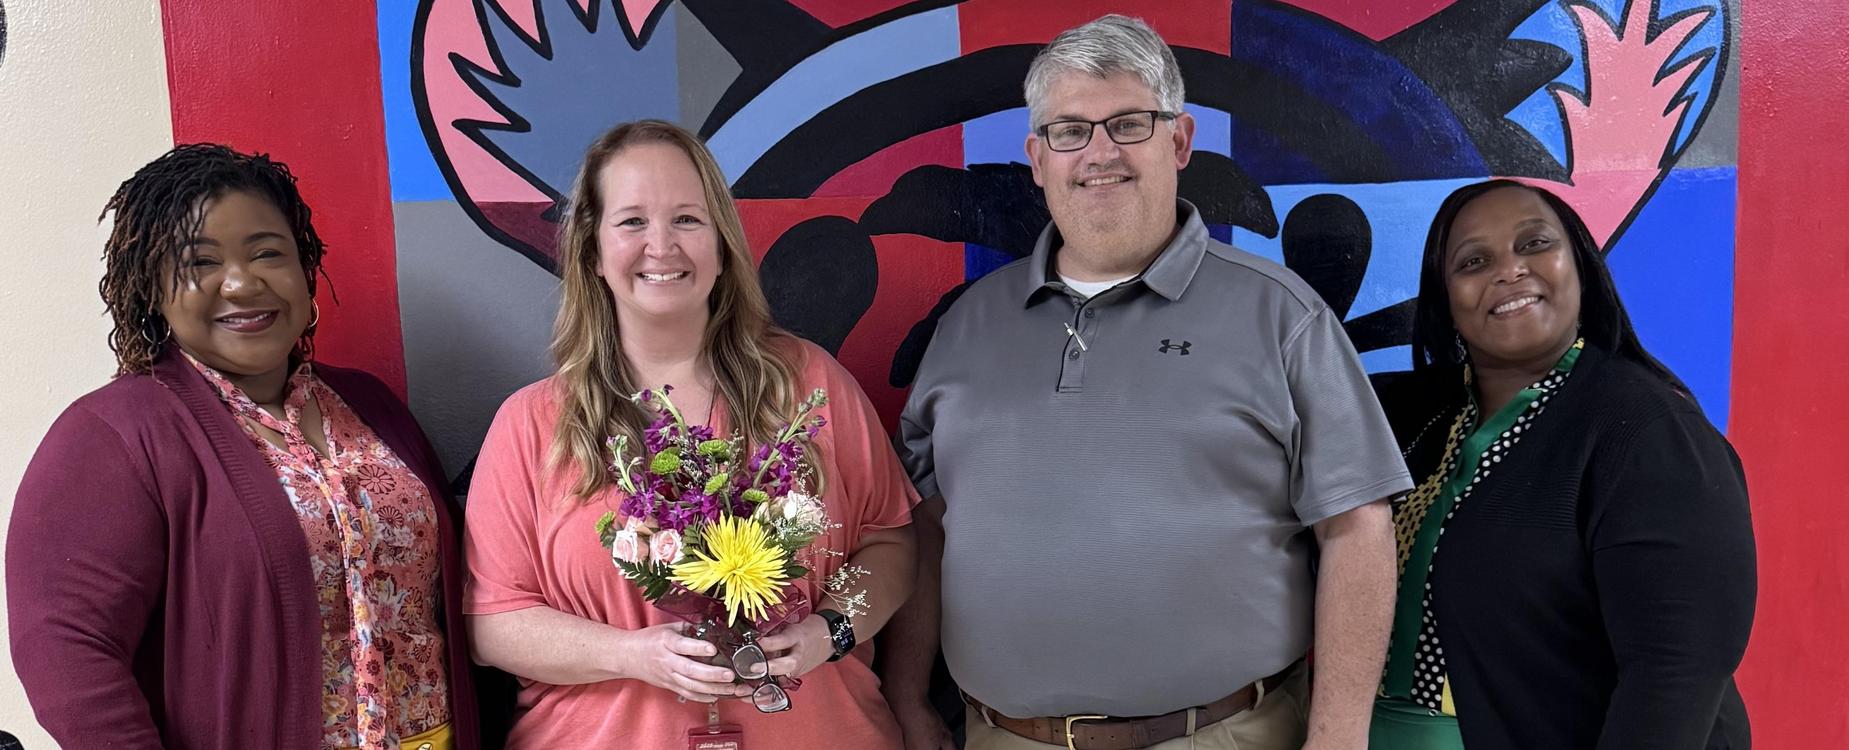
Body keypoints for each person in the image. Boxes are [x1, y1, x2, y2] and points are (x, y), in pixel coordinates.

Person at [884, 15, 1408, 750]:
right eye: (1070, 131)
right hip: (1002, 736)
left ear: (1180, 141)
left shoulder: (1280, 315)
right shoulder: (968, 323)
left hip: (1224, 735)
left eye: (1128, 124)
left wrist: (1338, 739)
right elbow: (926, 526)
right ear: (1038, 159)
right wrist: (906, 694)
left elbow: (1357, 528)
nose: (1099, 152)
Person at [461, 119, 918, 749]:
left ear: (722, 245)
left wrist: (829, 631)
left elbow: (889, 544)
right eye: (632, 222)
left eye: (686, 219)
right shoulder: (533, 424)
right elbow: (495, 626)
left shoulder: (808, 385)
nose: (662, 246)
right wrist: (632, 654)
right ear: (592, 252)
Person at [8, 144, 479, 748]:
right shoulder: (111, 435)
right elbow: (66, 650)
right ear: (151, 289)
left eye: (267, 253)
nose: (241, 282)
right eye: (200, 261)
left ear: (304, 268)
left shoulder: (372, 406)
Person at [1368, 179, 1756, 749]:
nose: (1509, 270)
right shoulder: (1412, 414)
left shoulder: (1645, 431)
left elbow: (1675, 671)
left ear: (1580, 267)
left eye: (1534, 244)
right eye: (1474, 262)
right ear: (1445, 301)